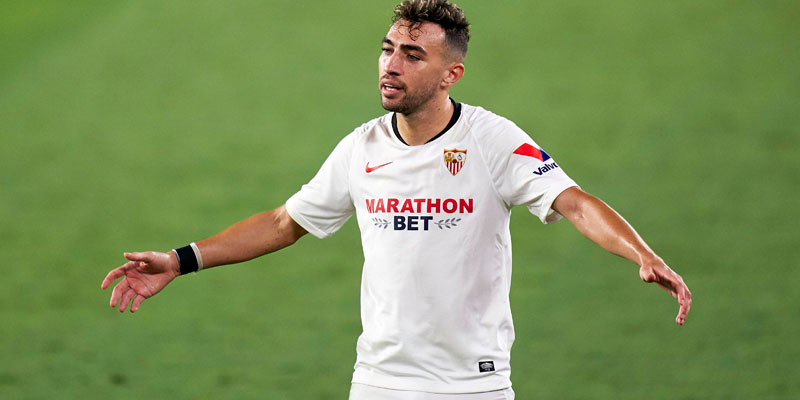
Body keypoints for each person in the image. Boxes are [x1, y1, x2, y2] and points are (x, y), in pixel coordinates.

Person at [101, 0, 692, 398]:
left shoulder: (492, 140)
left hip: (473, 384)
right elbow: (285, 222)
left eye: (412, 56)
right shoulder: (361, 147)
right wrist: (179, 260)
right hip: (380, 381)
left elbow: (573, 201)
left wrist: (642, 253)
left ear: (451, 74)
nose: (391, 65)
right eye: (388, 49)